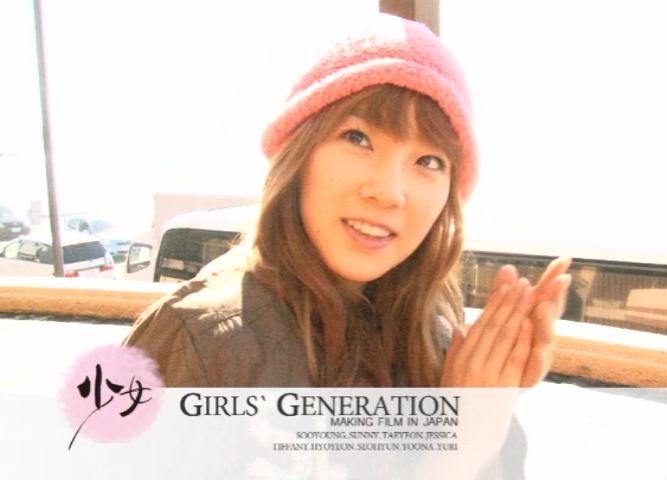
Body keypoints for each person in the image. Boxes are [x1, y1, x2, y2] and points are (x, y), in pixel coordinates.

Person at [123, 13, 570, 390]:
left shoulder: (434, 336)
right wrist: (463, 438)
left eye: (429, 161)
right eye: (357, 138)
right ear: (298, 155)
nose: (389, 191)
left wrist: (489, 407)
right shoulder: (205, 340)